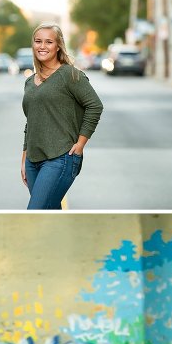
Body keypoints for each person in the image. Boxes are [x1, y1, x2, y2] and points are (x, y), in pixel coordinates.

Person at [21, 23, 103, 210]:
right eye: (38, 41)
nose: (42, 46)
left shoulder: (70, 75)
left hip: (61, 157)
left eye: (49, 42)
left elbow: (95, 106)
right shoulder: (29, 82)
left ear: (58, 46)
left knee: (35, 212)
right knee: (50, 212)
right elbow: (31, 122)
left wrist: (80, 144)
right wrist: (24, 158)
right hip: (33, 161)